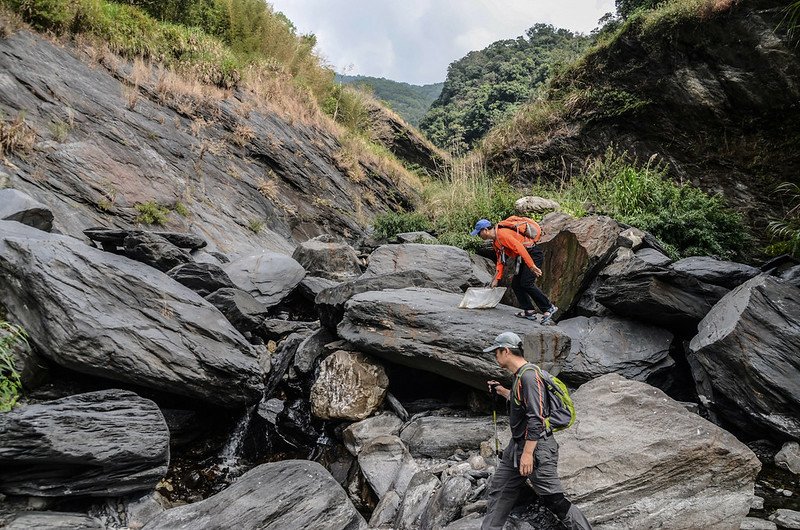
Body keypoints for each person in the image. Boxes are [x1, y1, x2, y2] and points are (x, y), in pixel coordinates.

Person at [482, 331, 592, 530]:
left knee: (555, 500)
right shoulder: (520, 376)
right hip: (516, 446)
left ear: (505, 351)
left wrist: (527, 454)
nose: (494, 356)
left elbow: (537, 418)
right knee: (500, 491)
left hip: (536, 448)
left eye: (495, 352)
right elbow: (522, 404)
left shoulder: (530, 377)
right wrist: (501, 391)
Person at [470, 218, 558, 324]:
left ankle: (548, 308)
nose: (479, 236)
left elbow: (520, 248)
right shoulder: (496, 241)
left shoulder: (502, 235)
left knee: (527, 283)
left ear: (485, 230)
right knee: (516, 284)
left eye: (479, 233)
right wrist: (496, 279)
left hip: (533, 254)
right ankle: (529, 310)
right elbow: (500, 260)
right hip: (524, 257)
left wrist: (531, 266)